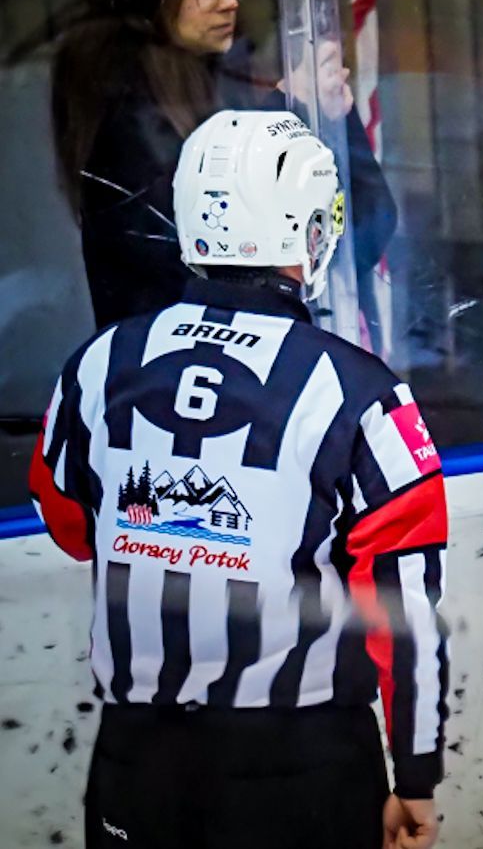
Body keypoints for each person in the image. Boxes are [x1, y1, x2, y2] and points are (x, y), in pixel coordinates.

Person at [29, 109, 446, 849]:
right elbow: (402, 607)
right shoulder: (359, 392)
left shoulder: (99, 363)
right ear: (311, 231)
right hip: (302, 766)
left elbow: (67, 524)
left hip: (136, 762)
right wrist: (416, 776)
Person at [51, 0, 395, 332]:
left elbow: (367, 226)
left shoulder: (223, 78)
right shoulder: (126, 110)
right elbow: (223, 264)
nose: (229, 1)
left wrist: (328, 114)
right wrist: (286, 117)